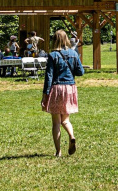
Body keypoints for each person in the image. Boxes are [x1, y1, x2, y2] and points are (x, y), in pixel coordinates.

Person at [41, 29, 85, 157]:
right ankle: (71, 136)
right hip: (70, 88)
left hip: (57, 88)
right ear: (66, 39)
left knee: (56, 122)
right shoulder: (73, 53)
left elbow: (49, 76)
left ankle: (58, 151)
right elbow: (80, 72)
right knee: (65, 119)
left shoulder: (53, 55)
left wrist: (45, 95)